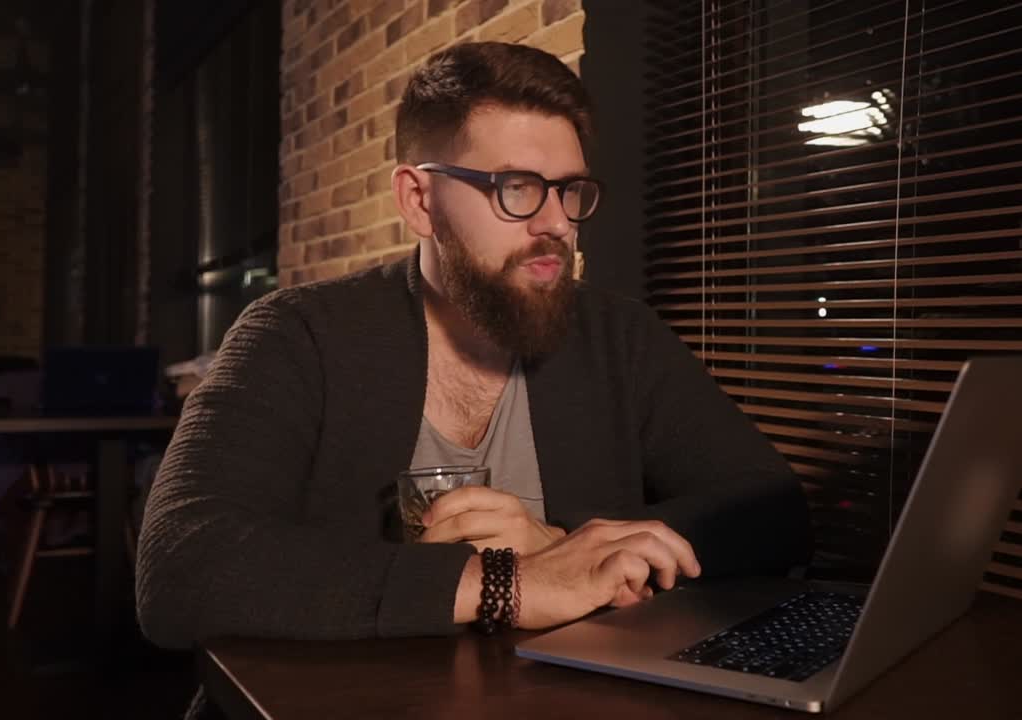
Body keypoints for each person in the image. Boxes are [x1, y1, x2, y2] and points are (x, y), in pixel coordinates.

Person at [137, 41, 809, 659]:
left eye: (569, 191)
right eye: (514, 189)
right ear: (420, 200)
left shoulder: (620, 337)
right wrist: (506, 584)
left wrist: (568, 545)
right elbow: (180, 563)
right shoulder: (296, 334)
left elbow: (770, 509)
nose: (554, 224)